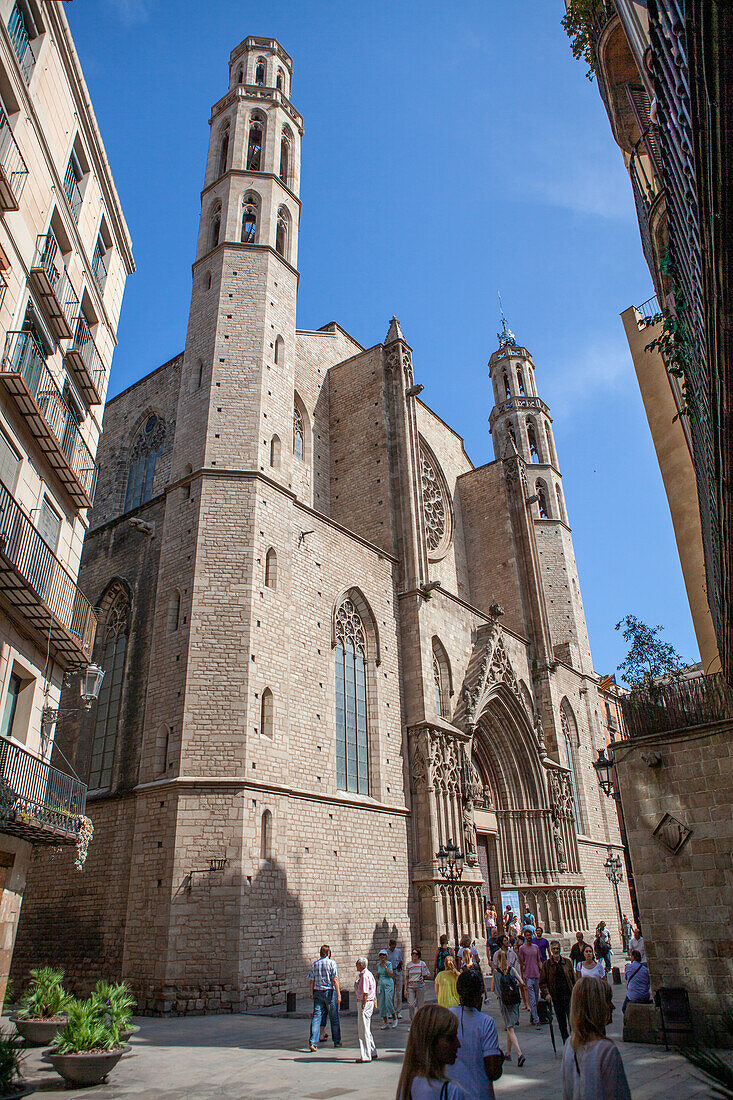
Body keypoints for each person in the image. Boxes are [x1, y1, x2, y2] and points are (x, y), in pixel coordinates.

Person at [562, 976, 632, 1099]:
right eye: (608, 1001)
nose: (612, 1006)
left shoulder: (569, 1044)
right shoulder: (607, 1051)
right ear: (598, 1006)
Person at [447, 970, 503, 1100]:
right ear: (480, 995)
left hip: (451, 1093)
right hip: (479, 1093)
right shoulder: (486, 1022)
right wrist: (500, 1058)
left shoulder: (447, 1017)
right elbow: (493, 1070)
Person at [395, 1003, 467, 1099]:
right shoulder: (451, 1091)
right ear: (432, 1042)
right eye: (450, 1038)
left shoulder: (408, 1087)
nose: (458, 1044)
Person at [492, 948, 525, 1067]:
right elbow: (522, 983)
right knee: (510, 1025)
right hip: (515, 1001)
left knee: (510, 1028)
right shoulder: (512, 970)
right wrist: (513, 986)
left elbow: (493, 989)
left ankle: (520, 1054)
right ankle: (508, 1052)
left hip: (504, 1002)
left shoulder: (496, 973)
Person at [540, 939, 576, 1044]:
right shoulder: (546, 965)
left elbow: (573, 979)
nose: (556, 951)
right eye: (554, 949)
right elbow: (542, 982)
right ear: (550, 950)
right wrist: (546, 994)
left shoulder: (567, 962)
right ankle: (566, 1041)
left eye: (557, 949)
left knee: (572, 1020)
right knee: (561, 1022)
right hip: (556, 997)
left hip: (568, 995)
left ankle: (574, 1041)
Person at [308, 944, 342, 1052]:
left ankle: (313, 1042)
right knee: (334, 1017)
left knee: (316, 1017)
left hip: (318, 991)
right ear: (328, 953)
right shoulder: (332, 963)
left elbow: (311, 980)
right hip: (329, 992)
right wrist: (339, 993)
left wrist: (311, 993)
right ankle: (337, 1041)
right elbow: (335, 979)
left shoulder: (315, 964)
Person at [355, 956, 378, 1063]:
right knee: (367, 1028)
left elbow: (365, 993)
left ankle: (366, 1055)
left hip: (364, 1003)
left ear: (361, 965)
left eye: (357, 964)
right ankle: (372, 1051)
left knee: (363, 1029)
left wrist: (363, 1005)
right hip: (369, 1002)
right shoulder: (369, 974)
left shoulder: (364, 976)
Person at [518, 928, 541, 1027]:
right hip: (528, 976)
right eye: (527, 935)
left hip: (536, 974)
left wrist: (542, 972)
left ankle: (533, 1016)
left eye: (530, 935)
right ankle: (536, 1020)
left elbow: (539, 960)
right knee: (532, 999)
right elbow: (521, 963)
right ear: (525, 936)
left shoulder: (535, 947)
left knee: (536, 999)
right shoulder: (522, 948)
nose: (528, 937)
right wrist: (522, 977)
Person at [404, 948, 431, 1021]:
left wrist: (423, 977)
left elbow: (428, 974)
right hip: (411, 986)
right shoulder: (409, 965)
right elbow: (406, 977)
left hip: (420, 986)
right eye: (413, 954)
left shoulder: (422, 964)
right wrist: (405, 990)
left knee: (420, 1005)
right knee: (411, 1005)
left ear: (418, 955)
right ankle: (412, 1020)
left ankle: (420, 1021)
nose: (414, 955)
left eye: (415, 954)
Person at [377, 949, 396, 1029]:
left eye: (384, 955)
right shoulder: (378, 965)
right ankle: (385, 1021)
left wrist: (385, 967)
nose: (382, 957)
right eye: (381, 955)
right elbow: (379, 974)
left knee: (388, 1001)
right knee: (382, 1003)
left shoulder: (389, 964)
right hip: (381, 984)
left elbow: (391, 974)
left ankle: (394, 1017)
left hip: (388, 984)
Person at [388, 938, 404, 1022]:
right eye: (392, 947)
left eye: (394, 947)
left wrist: (399, 966)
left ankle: (399, 1011)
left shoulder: (398, 951)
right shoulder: (386, 952)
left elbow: (401, 961)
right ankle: (391, 1011)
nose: (393, 948)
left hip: (397, 971)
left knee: (398, 992)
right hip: (391, 972)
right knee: (391, 992)